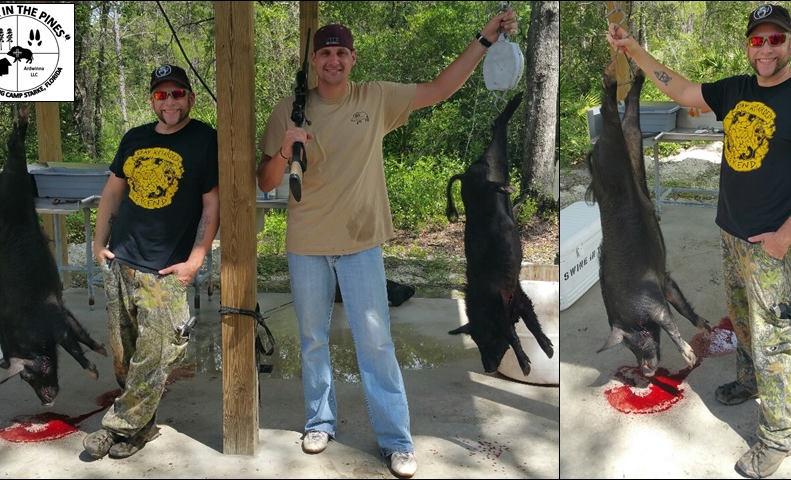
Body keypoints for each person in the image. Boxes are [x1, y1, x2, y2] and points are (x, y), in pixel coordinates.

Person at [255, 11, 517, 479]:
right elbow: (266, 180)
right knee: (313, 340)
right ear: (314, 60)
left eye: (341, 53)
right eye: (325, 53)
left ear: (353, 58)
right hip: (306, 243)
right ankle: (319, 422)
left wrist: (484, 38)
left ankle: (396, 440)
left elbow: (440, 88)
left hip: (361, 243)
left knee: (376, 342)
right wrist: (283, 149)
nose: (333, 61)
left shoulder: (375, 97)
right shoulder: (287, 109)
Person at [607, 4, 791, 478]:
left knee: (774, 338)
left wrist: (784, 236)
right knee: (742, 320)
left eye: (775, 39)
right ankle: (749, 379)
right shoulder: (736, 89)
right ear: (748, 46)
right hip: (732, 234)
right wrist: (631, 48)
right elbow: (679, 89)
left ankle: (779, 435)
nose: (765, 49)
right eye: (757, 40)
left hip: (772, 244)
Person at [83, 64, 220, 459]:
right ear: (152, 100)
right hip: (122, 261)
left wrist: (195, 260)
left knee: (158, 353)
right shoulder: (134, 138)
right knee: (125, 356)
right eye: (162, 95)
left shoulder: (205, 140)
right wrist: (98, 244)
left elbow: (212, 204)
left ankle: (117, 427)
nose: (170, 102)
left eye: (177, 94)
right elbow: (112, 193)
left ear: (190, 97)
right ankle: (142, 428)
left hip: (165, 270)